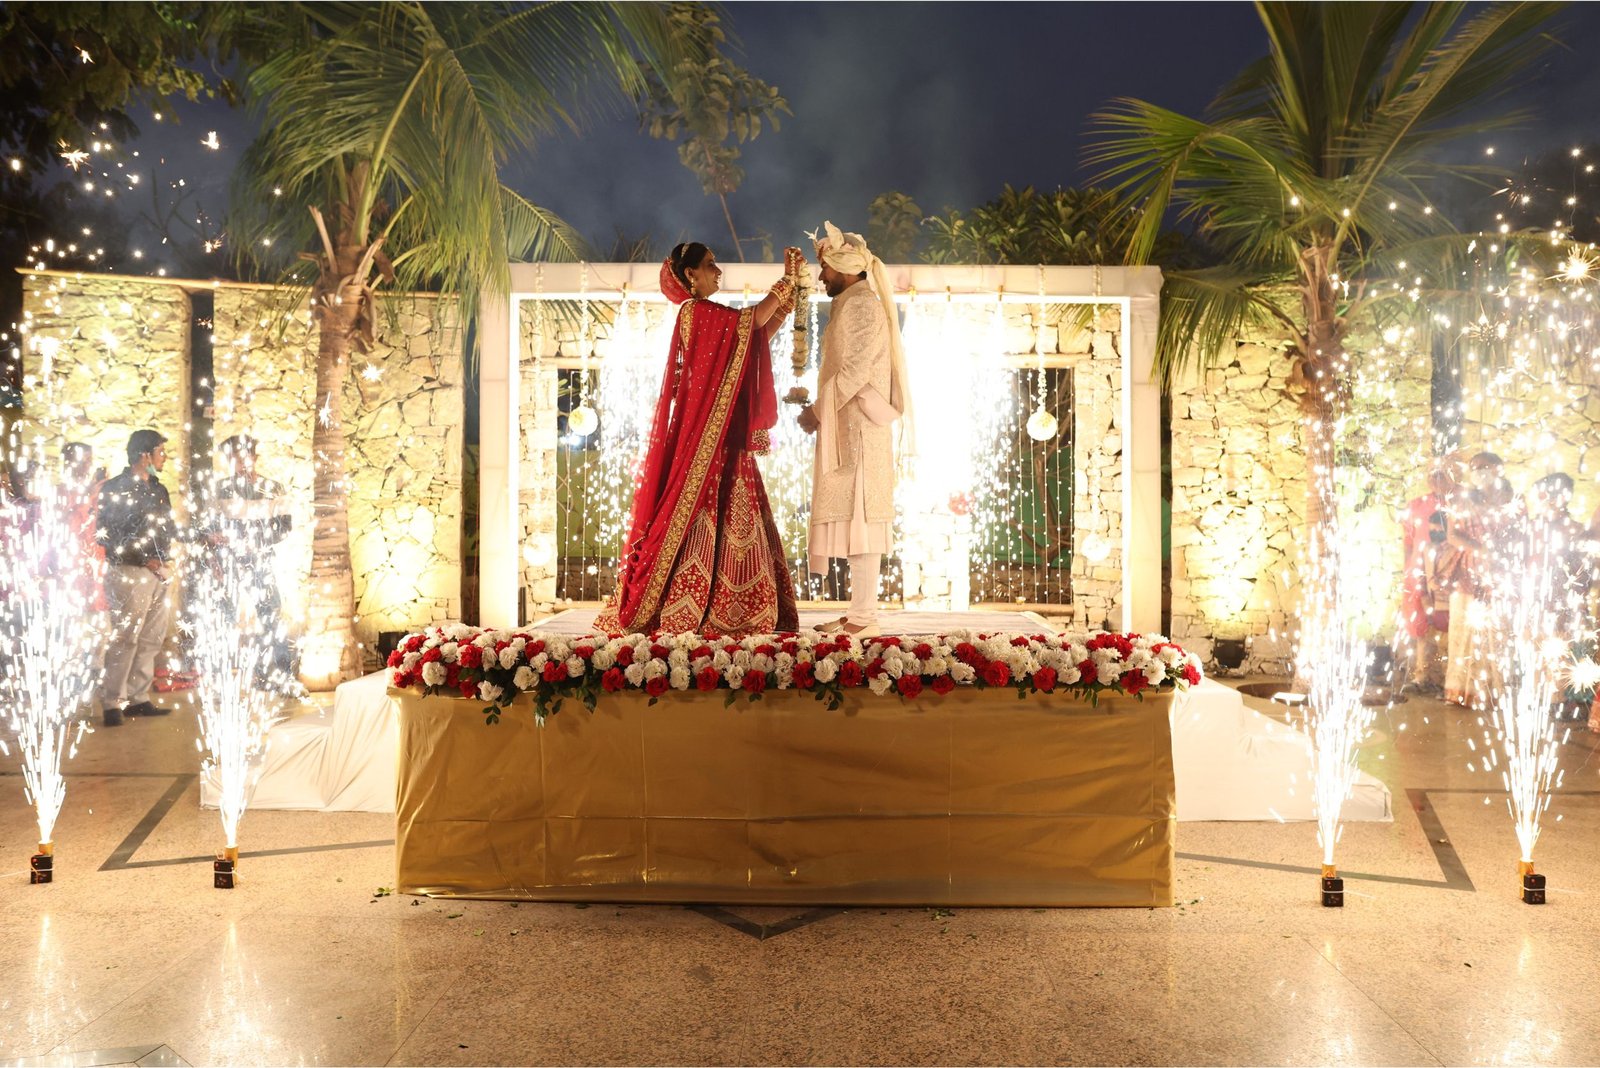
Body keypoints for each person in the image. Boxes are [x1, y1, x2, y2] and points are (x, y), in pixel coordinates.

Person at [594, 242, 802, 636]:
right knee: (699, 514)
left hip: (725, 436)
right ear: (691, 274)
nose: (718, 271)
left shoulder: (712, 315)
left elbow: (753, 336)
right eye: (710, 265)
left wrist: (785, 301)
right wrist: (785, 282)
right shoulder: (696, 312)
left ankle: (740, 608)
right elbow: (751, 322)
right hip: (708, 436)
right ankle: (692, 605)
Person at [795, 222, 913, 640]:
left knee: (863, 521)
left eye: (824, 268)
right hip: (847, 427)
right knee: (849, 519)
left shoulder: (863, 305)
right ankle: (858, 612)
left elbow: (856, 370)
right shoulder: (851, 302)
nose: (820, 276)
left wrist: (816, 411)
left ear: (844, 269)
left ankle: (865, 617)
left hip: (860, 432)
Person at [97, 428, 177, 726]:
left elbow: (167, 527)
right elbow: (108, 533)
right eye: (160, 451)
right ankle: (112, 702)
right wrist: (146, 559)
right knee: (126, 636)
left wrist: (202, 537)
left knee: (151, 637)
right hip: (129, 571)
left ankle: (138, 697)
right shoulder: (115, 488)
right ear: (144, 454)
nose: (164, 456)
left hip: (158, 571)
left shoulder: (158, 488)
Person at [211, 434, 297, 692]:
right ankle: (222, 680)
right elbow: (210, 528)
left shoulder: (273, 488)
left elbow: (284, 527)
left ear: (254, 457)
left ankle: (281, 676)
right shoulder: (219, 490)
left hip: (260, 562)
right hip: (228, 564)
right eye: (233, 458)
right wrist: (216, 553)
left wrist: (257, 541)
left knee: (272, 617)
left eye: (243, 456)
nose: (239, 462)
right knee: (224, 619)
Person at [1443, 452, 1516, 708]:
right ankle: (1461, 689)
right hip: (1469, 571)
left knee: (1494, 633)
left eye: (1484, 467)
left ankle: (1491, 690)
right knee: (1465, 630)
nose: (1479, 472)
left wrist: (1501, 554)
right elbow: (1452, 535)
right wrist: (1480, 550)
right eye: (1474, 468)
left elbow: (1520, 535)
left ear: (1499, 469)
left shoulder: (1513, 502)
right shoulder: (1463, 501)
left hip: (1500, 575)